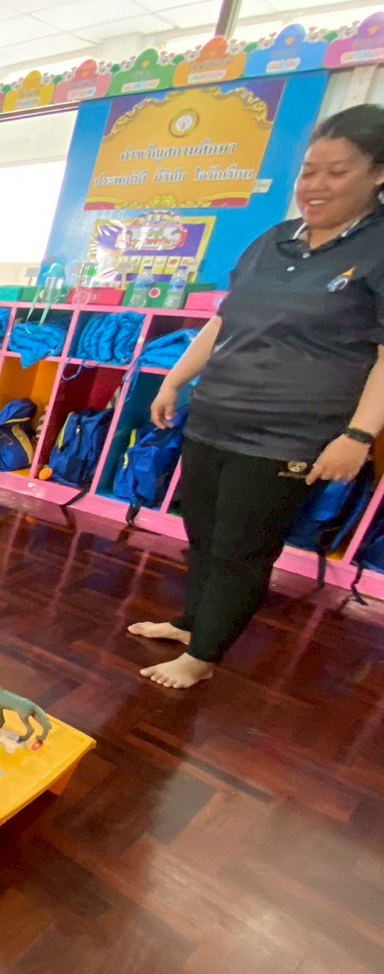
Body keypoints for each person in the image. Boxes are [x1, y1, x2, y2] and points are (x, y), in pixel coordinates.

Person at [130, 104, 384, 689]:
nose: (316, 185)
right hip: (215, 416)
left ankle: (203, 658)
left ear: (377, 174)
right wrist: (174, 379)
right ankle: (193, 625)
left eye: (337, 172)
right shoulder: (274, 241)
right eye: (309, 171)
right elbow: (225, 320)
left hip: (287, 435)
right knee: (203, 532)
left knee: (241, 549)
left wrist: (358, 435)